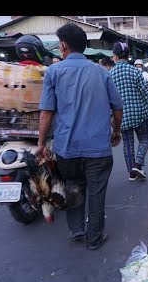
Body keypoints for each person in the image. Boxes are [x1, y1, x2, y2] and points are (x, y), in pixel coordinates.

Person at [37, 24, 124, 250]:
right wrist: (116, 131)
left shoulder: (53, 72)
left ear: (64, 45)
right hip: (98, 149)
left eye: (59, 44)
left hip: (67, 148)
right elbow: (117, 107)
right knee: (96, 193)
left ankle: (77, 229)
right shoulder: (102, 72)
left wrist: (40, 144)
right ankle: (94, 239)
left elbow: (47, 112)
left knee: (74, 186)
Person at [110, 42, 148, 181]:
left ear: (115, 57)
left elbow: (108, 99)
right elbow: (146, 93)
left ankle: (132, 173)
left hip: (121, 116)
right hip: (139, 114)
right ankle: (138, 163)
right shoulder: (135, 72)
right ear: (128, 56)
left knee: (127, 144)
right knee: (144, 139)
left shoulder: (110, 75)